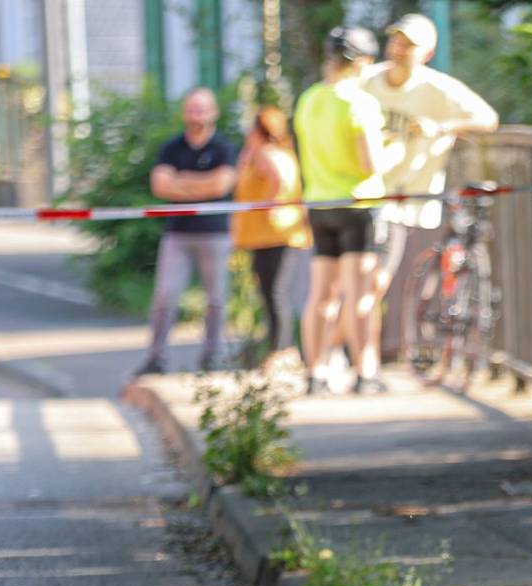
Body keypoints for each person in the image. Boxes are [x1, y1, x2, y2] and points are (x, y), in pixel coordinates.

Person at [362, 13, 500, 369]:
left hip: (421, 197)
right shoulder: (368, 81)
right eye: (396, 41)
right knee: (375, 280)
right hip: (375, 195)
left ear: (427, 51)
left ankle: (412, 348)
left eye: (409, 44)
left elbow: (488, 119)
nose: (400, 49)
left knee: (420, 280)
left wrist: (442, 127)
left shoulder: (438, 87)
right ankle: (369, 355)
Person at [294, 26, 398, 394]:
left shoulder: (309, 100)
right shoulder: (359, 103)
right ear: (362, 62)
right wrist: (398, 147)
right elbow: (369, 163)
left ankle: (315, 373)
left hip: (319, 203)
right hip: (358, 204)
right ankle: (365, 371)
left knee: (321, 292)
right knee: (360, 293)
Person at [137, 88, 237, 377]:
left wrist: (182, 182)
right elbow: (160, 185)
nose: (197, 115)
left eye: (203, 109)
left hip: (214, 232)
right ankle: (156, 357)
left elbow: (221, 185)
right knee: (165, 295)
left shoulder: (223, 148)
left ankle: (212, 357)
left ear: (214, 112)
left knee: (216, 298)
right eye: (192, 109)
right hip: (178, 233)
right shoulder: (172, 147)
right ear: (185, 113)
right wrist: (201, 185)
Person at [231, 105, 311, 369]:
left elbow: (280, 180)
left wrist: (270, 204)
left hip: (275, 234)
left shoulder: (268, 154)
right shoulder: (267, 153)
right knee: (270, 292)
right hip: (267, 235)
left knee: (274, 293)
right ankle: (278, 347)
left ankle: (282, 349)